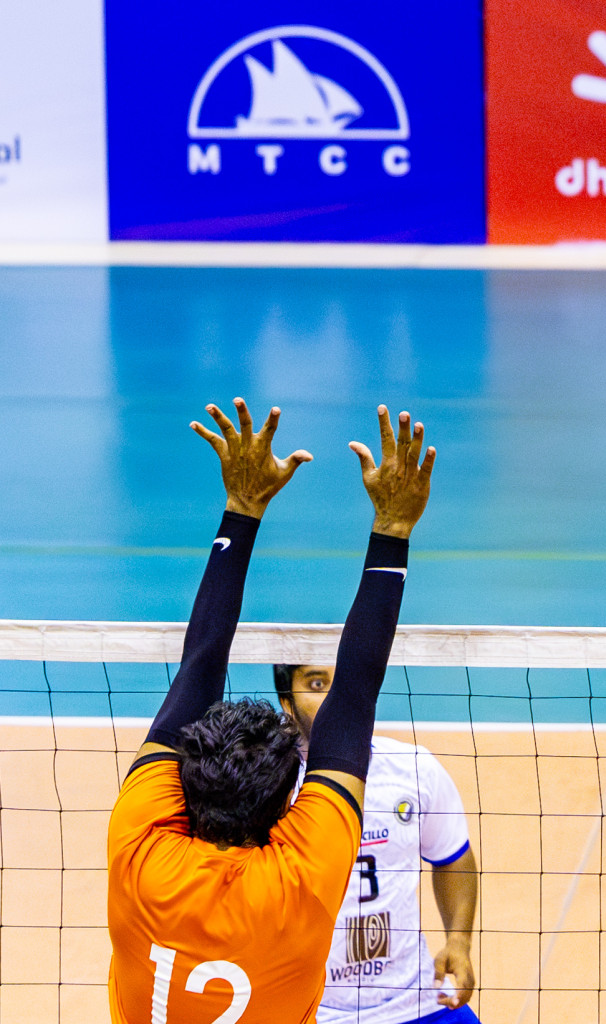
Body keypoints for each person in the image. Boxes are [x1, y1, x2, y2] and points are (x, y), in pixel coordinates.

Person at [107, 400, 435, 1024]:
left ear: (184, 781)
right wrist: (393, 525)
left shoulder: (140, 846)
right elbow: (355, 697)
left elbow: (200, 665)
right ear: (287, 797)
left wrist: (242, 509)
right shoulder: (300, 878)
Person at [274, 661, 481, 1024]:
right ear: (287, 703)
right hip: (314, 1012)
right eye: (317, 682)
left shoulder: (413, 768)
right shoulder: (268, 787)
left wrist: (458, 941)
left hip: (417, 1001)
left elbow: (453, 857)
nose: (336, 698)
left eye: (344, 680)